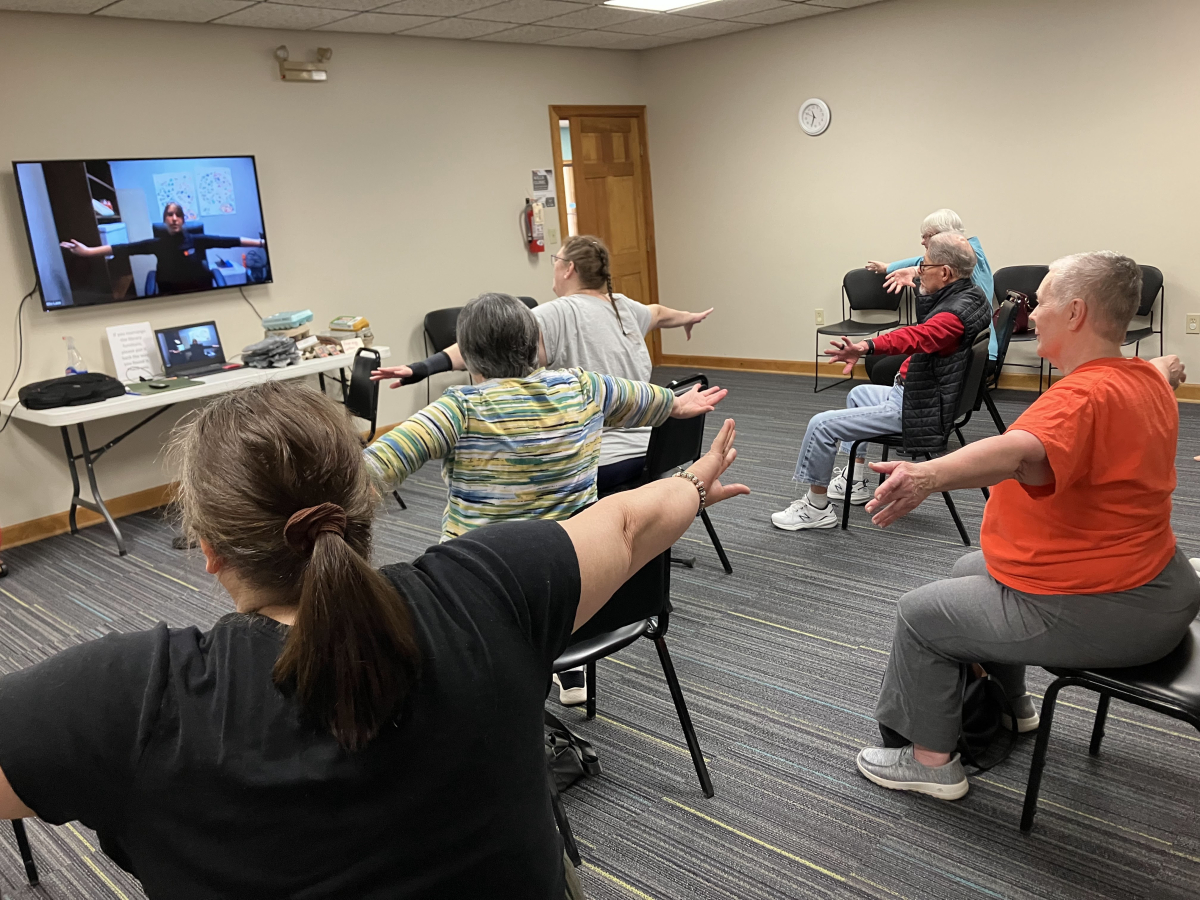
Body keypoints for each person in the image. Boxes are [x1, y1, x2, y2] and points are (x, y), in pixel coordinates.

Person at [0, 379, 749, 899]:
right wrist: (693, 482)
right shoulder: (491, 587)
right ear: (365, 506)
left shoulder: (125, 699)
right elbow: (622, 523)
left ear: (210, 550)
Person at [855, 251, 1197, 801]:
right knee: (971, 567)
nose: (1028, 314)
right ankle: (1014, 709)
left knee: (920, 613)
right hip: (1154, 584)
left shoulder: (1079, 398)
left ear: (1076, 313)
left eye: (1040, 303)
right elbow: (1163, 368)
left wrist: (926, 475)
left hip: (1116, 606)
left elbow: (1016, 454)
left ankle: (931, 764)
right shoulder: (1139, 375)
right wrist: (1166, 367)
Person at [365, 292, 725, 541]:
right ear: (537, 344)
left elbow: (372, 468)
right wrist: (677, 404)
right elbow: (650, 401)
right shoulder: (584, 387)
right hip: (576, 567)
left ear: (470, 357)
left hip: (487, 578)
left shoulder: (459, 409)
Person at [369, 235, 713, 490]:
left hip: (593, 460)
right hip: (655, 450)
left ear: (568, 268)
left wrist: (422, 368)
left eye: (555, 259)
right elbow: (657, 313)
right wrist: (687, 317)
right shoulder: (623, 306)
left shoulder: (558, 313)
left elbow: (484, 342)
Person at [771, 233, 992, 532]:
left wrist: (865, 347)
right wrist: (916, 276)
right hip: (923, 394)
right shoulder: (969, 295)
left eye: (924, 265)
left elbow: (916, 335)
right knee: (860, 393)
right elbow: (927, 317)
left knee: (821, 425)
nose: (920, 271)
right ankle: (855, 480)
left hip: (917, 408)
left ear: (945, 272)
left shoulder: (952, 315)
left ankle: (816, 508)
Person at [866, 209, 998, 360]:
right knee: (878, 358)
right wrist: (893, 267)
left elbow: (944, 264)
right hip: (966, 346)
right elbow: (927, 262)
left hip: (968, 353)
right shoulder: (970, 254)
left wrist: (913, 270)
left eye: (926, 236)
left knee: (879, 362)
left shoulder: (967, 259)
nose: (922, 241)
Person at [60, 201, 266, 295]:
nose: (174, 218)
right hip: (170, 296)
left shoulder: (197, 239)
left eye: (178, 215)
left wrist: (261, 243)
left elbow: (229, 240)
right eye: (170, 214)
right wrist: (88, 252)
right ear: (165, 220)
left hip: (202, 293)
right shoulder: (157, 244)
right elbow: (123, 248)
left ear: (183, 220)